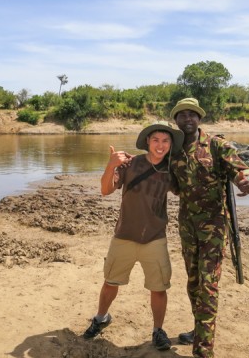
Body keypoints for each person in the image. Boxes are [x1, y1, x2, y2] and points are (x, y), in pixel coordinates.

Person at [82, 120, 185, 351]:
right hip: (124, 235)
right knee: (110, 283)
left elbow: (188, 189)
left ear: (170, 144)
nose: (160, 145)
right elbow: (105, 190)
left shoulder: (171, 170)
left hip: (155, 238)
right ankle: (100, 318)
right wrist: (110, 165)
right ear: (147, 141)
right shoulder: (130, 164)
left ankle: (158, 330)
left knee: (159, 288)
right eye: (156, 140)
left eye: (165, 140)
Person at [169, 98, 249, 358]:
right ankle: (200, 330)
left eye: (192, 114)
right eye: (182, 115)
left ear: (199, 118)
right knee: (193, 284)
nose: (187, 119)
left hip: (214, 229)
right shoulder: (174, 151)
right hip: (187, 227)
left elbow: (243, 171)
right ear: (176, 120)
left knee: (208, 286)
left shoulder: (217, 145)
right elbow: (174, 187)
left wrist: (247, 182)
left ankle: (203, 350)